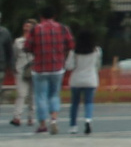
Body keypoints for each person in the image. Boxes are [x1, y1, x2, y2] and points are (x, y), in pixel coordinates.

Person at [22, 7, 73, 135]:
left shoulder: (36, 29)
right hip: (57, 67)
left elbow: (27, 47)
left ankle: (42, 124)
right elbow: (71, 45)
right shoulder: (62, 28)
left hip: (39, 68)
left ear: (41, 16)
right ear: (54, 16)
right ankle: (54, 120)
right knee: (54, 95)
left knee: (40, 97)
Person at [65, 28, 103, 135]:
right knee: (89, 102)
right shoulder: (97, 51)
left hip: (76, 79)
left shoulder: (74, 51)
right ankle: (88, 120)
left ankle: (73, 126)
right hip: (91, 79)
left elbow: (69, 66)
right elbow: (98, 65)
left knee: (74, 104)